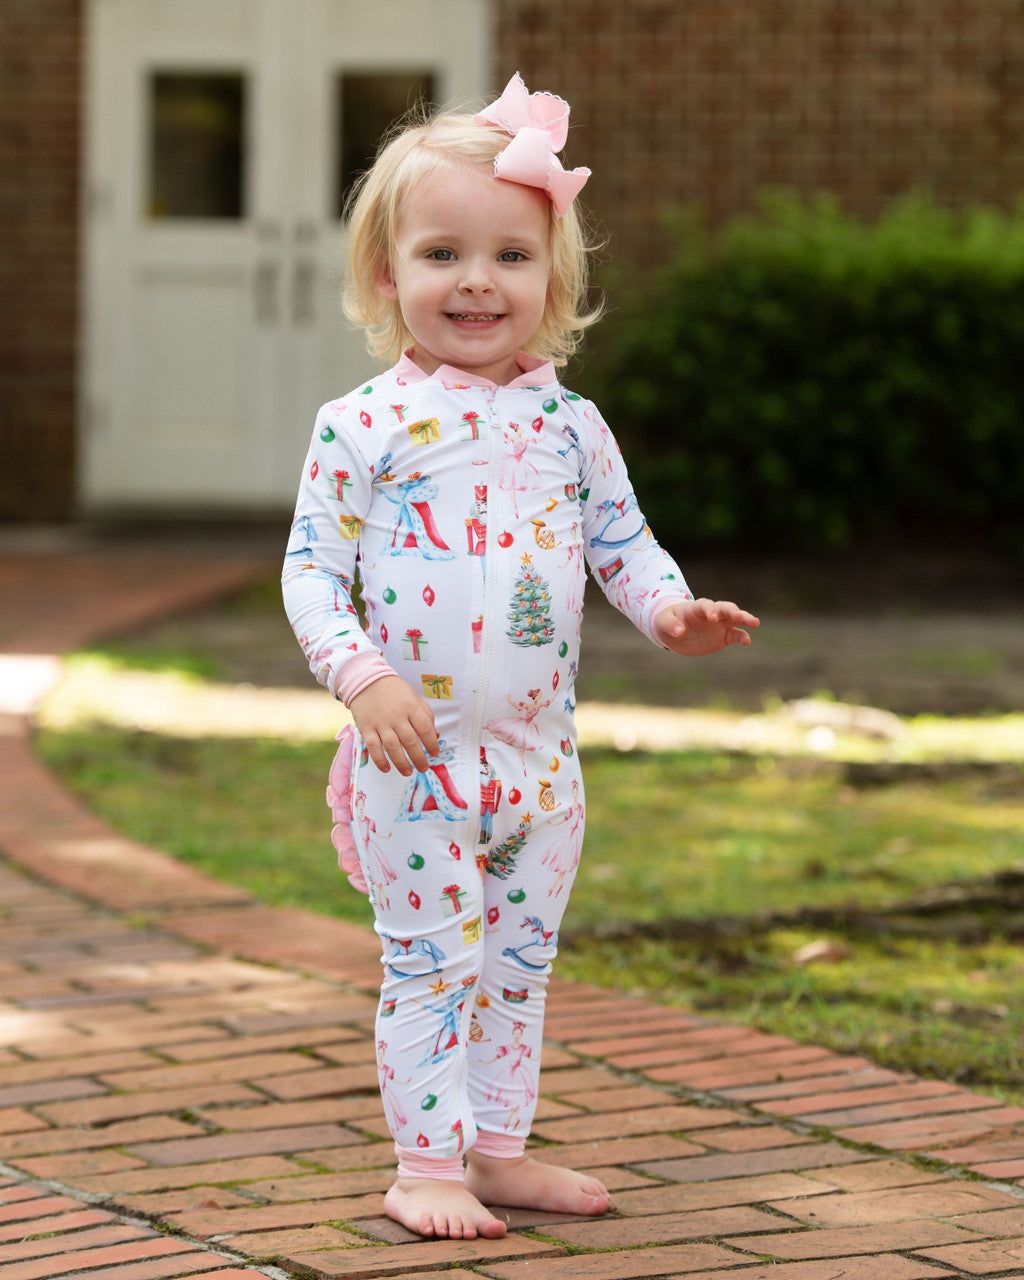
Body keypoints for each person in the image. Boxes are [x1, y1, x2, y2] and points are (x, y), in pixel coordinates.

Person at [281, 71, 760, 1241]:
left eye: (510, 256)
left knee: (519, 965)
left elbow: (621, 544)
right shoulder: (364, 424)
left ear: (552, 279)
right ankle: (422, 1163)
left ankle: (497, 1147)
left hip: (541, 769)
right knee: (433, 960)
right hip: (418, 759)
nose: (478, 281)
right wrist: (362, 675)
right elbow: (309, 574)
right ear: (388, 275)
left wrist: (671, 611)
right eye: (443, 253)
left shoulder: (570, 426)